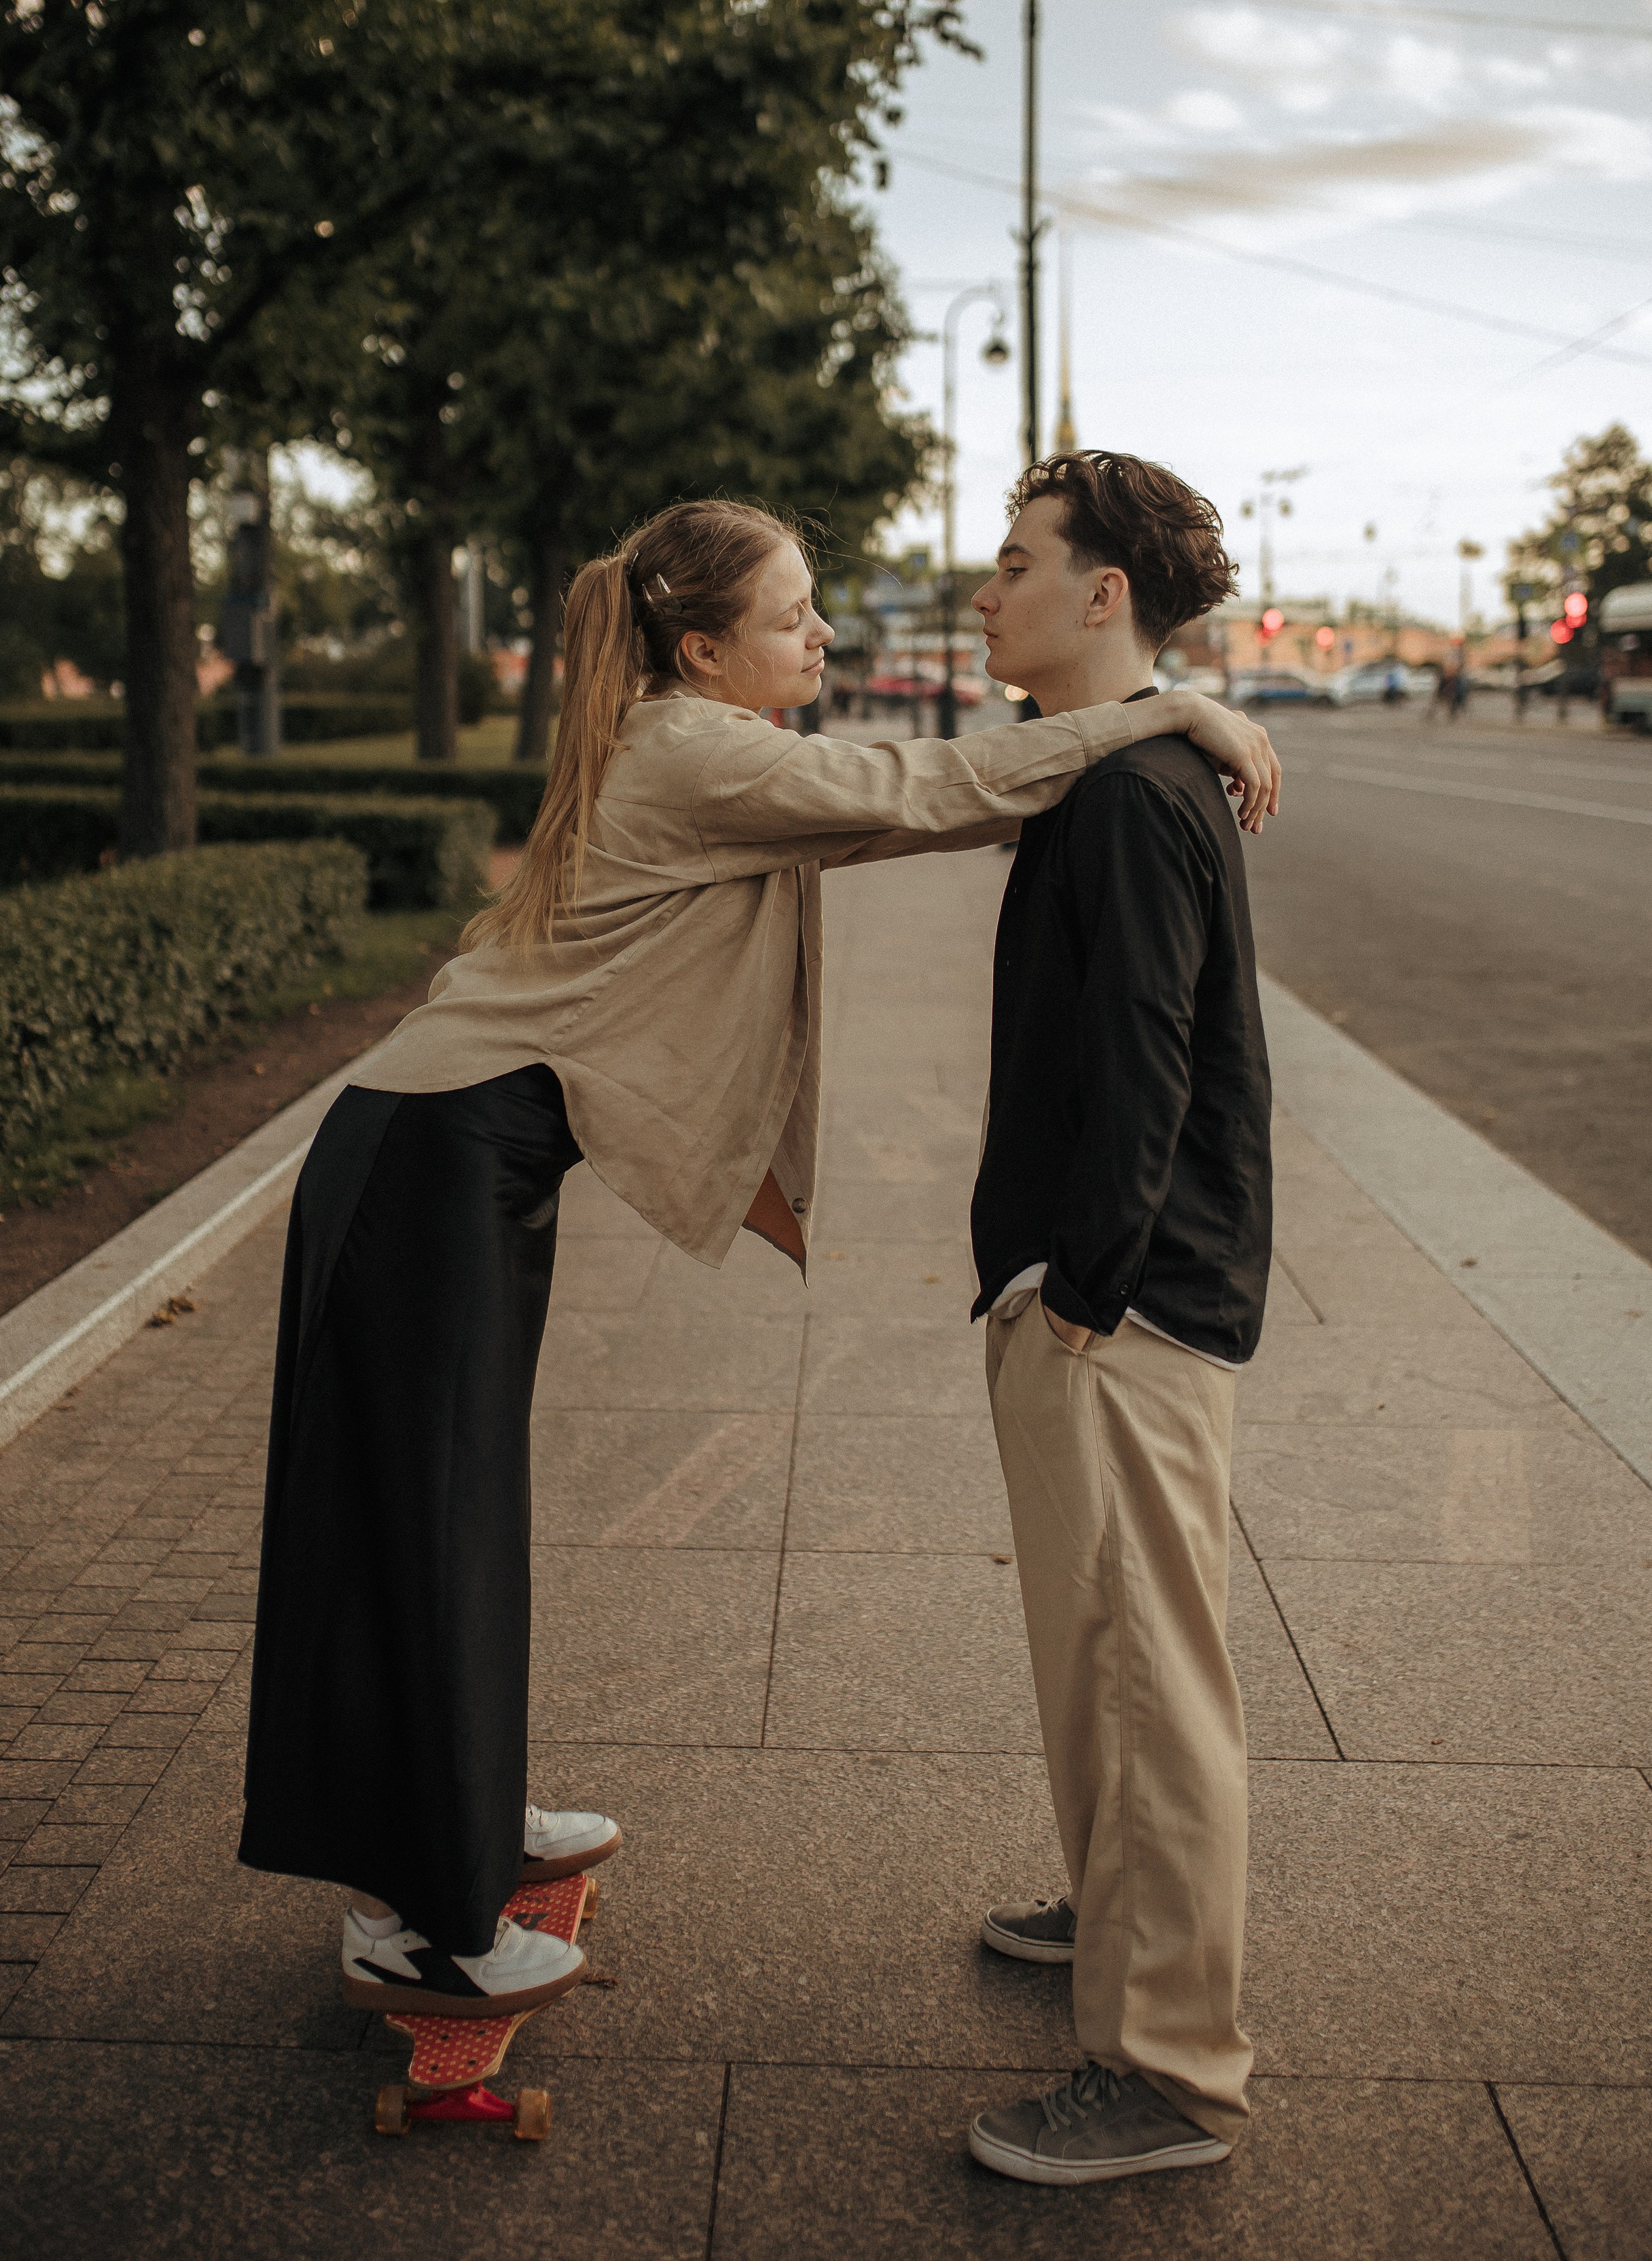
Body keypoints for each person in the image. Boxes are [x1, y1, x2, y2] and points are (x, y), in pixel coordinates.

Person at [237, 497, 1280, 2021]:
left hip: (451, 1161)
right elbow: (924, 780)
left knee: (448, 1512)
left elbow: (908, 805)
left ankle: (456, 1814)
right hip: (427, 1161)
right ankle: (424, 1919)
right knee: (420, 1523)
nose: (823, 637)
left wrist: (1123, 734)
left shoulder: (705, 747)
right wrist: (1166, 708)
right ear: (706, 648)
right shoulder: (690, 748)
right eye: (794, 619)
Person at [963, 451, 1274, 2188]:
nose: (982, 587)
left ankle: (1165, 2071)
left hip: (1128, 1303)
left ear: (1101, 597)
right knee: (1104, 1649)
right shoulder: (1115, 770)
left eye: (1014, 562)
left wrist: (1082, 1285)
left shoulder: (1135, 796)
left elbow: (1148, 1058)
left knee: (1149, 1674)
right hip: (1102, 1286)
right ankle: (1113, 1914)